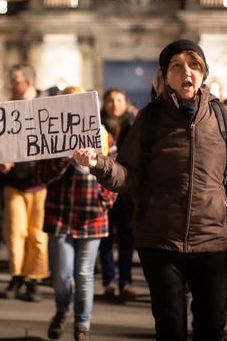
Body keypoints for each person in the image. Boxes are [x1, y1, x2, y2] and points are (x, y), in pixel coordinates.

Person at [73, 39, 227, 341]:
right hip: (159, 240)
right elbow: (127, 175)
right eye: (177, 66)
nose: (186, 71)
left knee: (212, 324)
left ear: (204, 73)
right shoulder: (150, 118)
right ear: (166, 76)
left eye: (194, 65)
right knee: (170, 326)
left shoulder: (222, 117)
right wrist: (98, 163)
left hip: (211, 239)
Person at [34, 86, 117, 341]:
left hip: (91, 214)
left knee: (84, 273)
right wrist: (64, 157)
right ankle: (62, 308)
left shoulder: (104, 137)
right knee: (60, 274)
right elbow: (40, 176)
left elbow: (113, 175)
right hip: (59, 214)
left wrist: (105, 201)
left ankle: (82, 324)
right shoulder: (52, 137)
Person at [0, 63, 49, 302]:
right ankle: (16, 275)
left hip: (40, 182)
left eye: (15, 80)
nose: (12, 85)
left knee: (37, 234)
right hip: (14, 181)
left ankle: (34, 278)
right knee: (15, 231)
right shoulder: (6, 108)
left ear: (28, 83)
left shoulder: (46, 106)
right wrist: (0, 160)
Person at [98, 88, 137, 302]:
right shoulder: (97, 126)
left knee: (126, 239)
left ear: (126, 104)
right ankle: (109, 281)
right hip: (104, 188)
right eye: (110, 100)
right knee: (105, 237)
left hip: (126, 192)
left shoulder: (134, 127)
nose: (114, 104)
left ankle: (126, 281)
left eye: (119, 100)